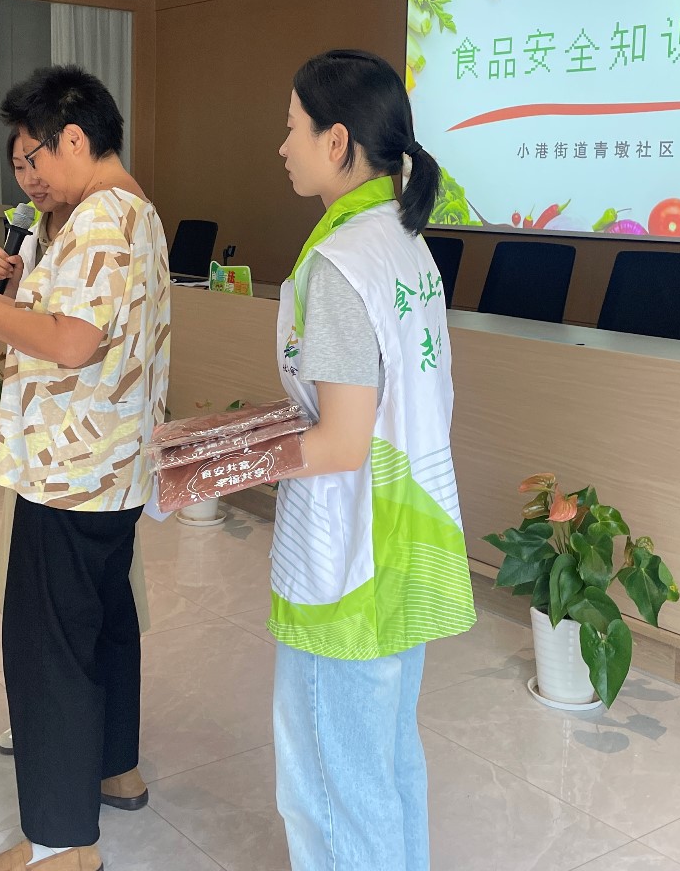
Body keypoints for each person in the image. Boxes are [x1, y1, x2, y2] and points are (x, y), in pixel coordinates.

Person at [0, 66, 169, 871]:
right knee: (105, 622)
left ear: (73, 137)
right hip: (113, 465)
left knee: (50, 650)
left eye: (36, 157)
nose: (31, 176)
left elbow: (72, 341)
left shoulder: (98, 219)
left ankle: (61, 843)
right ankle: (115, 767)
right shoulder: (136, 210)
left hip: (70, 470)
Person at [269, 49, 476, 871]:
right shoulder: (403, 243)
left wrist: (228, 461)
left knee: (333, 786)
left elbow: (341, 443)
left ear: (337, 141)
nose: (283, 146)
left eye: (293, 128)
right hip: (404, 542)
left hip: (347, 562)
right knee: (386, 765)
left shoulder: (342, 263)